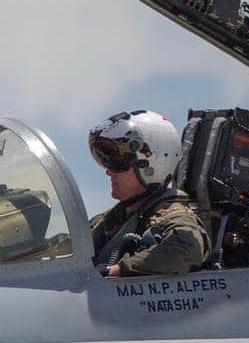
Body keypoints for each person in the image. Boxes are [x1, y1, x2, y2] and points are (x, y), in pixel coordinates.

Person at [88, 110, 210, 276]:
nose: (109, 172)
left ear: (151, 166)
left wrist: (115, 271)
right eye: (106, 162)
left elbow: (187, 249)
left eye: (117, 163)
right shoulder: (107, 221)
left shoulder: (174, 217)